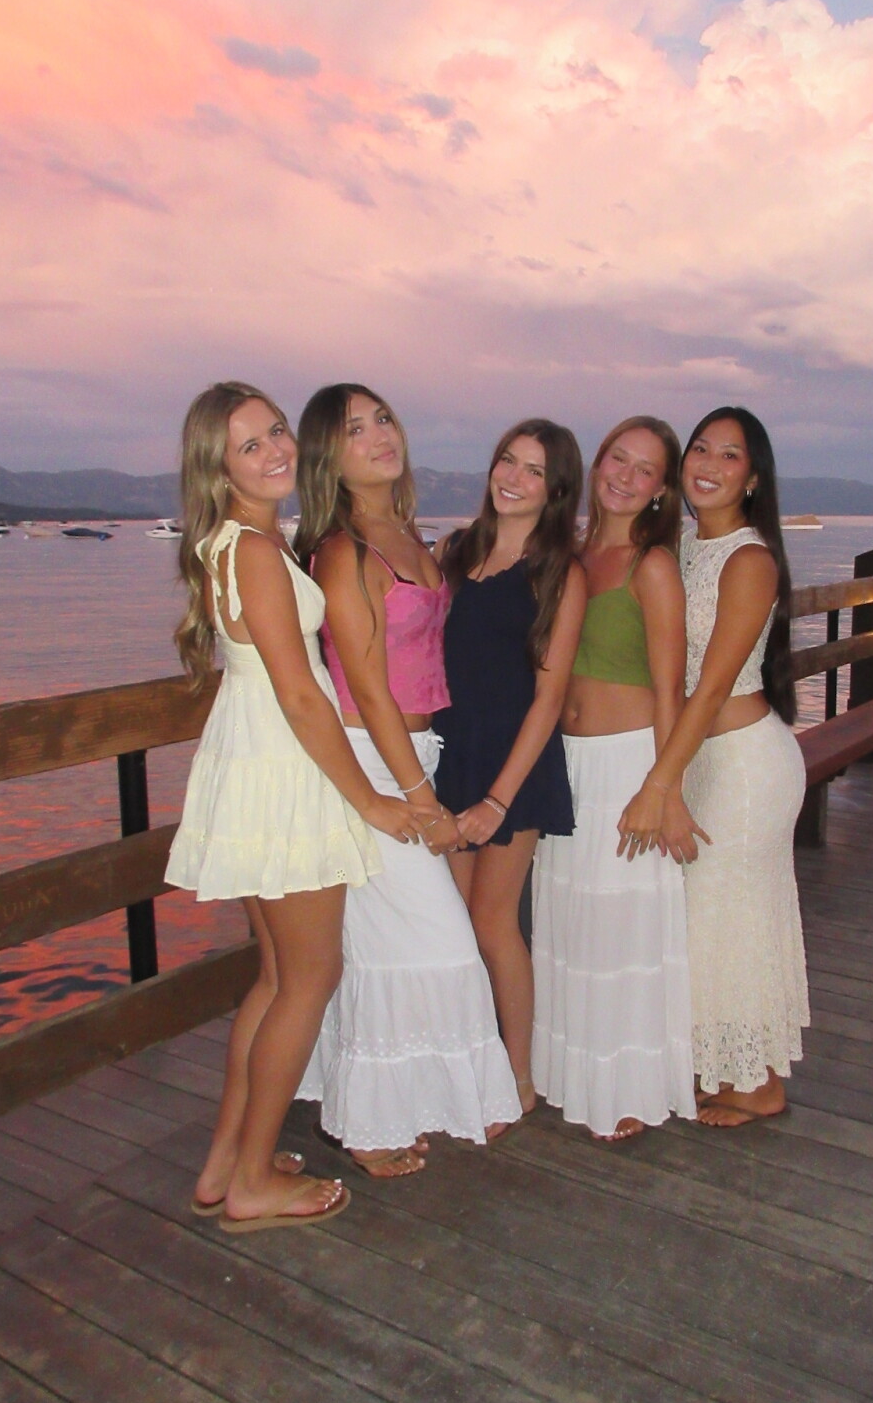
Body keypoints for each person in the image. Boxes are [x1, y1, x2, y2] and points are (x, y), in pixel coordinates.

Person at [165, 382, 425, 1232]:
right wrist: (371, 801)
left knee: (278, 978)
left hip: (254, 767)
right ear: (218, 468)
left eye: (276, 431)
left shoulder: (238, 541)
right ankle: (249, 1181)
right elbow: (303, 696)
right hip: (284, 773)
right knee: (310, 978)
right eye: (250, 445)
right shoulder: (253, 551)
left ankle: (225, 1163)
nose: (276, 449)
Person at [292, 385, 522, 1174]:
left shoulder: (404, 533)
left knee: (388, 943)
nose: (378, 435)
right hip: (372, 760)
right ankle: (368, 1123)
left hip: (414, 755)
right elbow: (368, 687)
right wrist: (422, 803)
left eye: (382, 418)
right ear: (329, 457)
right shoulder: (344, 550)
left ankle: (376, 1108)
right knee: (436, 938)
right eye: (354, 430)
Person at [618, 406, 809, 1127]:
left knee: (733, 920)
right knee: (708, 922)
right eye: (701, 448)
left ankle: (758, 1084)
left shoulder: (749, 560)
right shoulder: (680, 546)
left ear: (753, 478)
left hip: (743, 766)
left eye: (730, 455)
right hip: (696, 758)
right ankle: (725, 1066)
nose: (709, 464)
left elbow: (712, 685)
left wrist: (658, 783)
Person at [531, 417, 697, 1141]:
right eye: (617, 460)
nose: (625, 477)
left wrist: (667, 789)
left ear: (661, 489)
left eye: (645, 470)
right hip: (566, 763)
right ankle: (572, 1075)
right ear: (597, 463)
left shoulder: (650, 566)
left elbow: (671, 688)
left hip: (628, 764)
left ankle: (627, 1088)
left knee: (622, 931)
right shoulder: (569, 552)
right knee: (571, 927)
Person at [435, 420, 586, 1115]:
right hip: (450, 752)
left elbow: (548, 698)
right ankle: (466, 1069)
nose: (514, 478)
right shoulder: (454, 551)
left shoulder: (559, 573)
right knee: (454, 925)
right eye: (507, 460)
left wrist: (497, 799)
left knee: (494, 922)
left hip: (514, 764)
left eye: (534, 470)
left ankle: (519, 1082)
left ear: (556, 490)